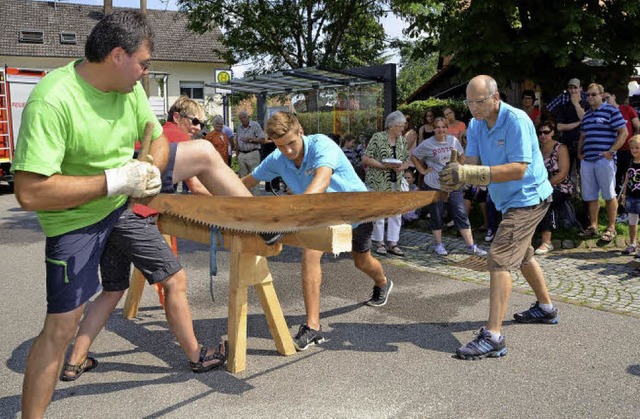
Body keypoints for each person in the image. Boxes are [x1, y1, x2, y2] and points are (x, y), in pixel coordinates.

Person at [11, 11, 230, 417]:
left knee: (201, 155)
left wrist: (149, 168)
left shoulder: (128, 90)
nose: (146, 73)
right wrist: (116, 181)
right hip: (75, 220)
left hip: (122, 207)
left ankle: (262, 222)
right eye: (143, 64)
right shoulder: (53, 98)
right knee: (59, 330)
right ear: (116, 55)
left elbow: (159, 138)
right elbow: (29, 192)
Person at [241, 111, 393, 351]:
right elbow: (245, 183)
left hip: (357, 212)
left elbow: (320, 184)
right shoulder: (277, 159)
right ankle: (313, 327)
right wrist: (216, 201)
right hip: (319, 216)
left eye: (291, 143)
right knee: (309, 256)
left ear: (301, 132)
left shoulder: (322, 144)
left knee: (362, 261)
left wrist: (288, 220)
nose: (288, 152)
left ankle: (382, 281)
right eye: (281, 147)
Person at [440, 75, 558, 360]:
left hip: (529, 197)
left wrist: (471, 174)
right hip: (507, 199)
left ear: (495, 98)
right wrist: (456, 173)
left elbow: (518, 169)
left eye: (479, 101)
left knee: (500, 255)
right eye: (469, 102)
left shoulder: (516, 120)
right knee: (524, 255)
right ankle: (546, 309)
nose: (473, 108)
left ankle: (493, 337)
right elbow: (474, 164)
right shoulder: (478, 125)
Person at [411, 117, 487, 257]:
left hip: (453, 184)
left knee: (461, 213)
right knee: (437, 214)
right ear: (433, 129)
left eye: (443, 127)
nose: (440, 130)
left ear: (447, 128)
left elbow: (461, 155)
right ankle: (439, 244)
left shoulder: (453, 141)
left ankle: (471, 246)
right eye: (437, 127)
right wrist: (423, 170)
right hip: (435, 185)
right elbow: (414, 156)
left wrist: (459, 168)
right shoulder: (427, 144)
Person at [577, 83, 628, 242]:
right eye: (588, 95)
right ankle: (593, 226)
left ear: (601, 95)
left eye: (593, 94)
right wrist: (579, 153)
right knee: (590, 195)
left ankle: (611, 228)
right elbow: (583, 136)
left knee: (608, 194)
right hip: (588, 160)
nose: (590, 97)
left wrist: (611, 151)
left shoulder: (611, 111)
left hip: (604, 160)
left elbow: (624, 132)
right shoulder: (587, 115)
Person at [362, 111, 411, 257]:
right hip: (378, 181)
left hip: (396, 182)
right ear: (391, 126)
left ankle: (393, 243)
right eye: (399, 126)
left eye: (403, 126)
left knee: (396, 213)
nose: (402, 129)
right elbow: (366, 158)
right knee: (379, 212)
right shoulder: (378, 138)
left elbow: (407, 160)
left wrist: (402, 167)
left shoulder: (402, 140)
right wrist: (383, 166)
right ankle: (379, 242)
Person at [534, 121, 574, 255]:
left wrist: (546, 185)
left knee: (544, 201)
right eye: (540, 133)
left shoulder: (560, 148)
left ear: (552, 133)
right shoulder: (537, 149)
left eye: (546, 132)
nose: (542, 136)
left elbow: (563, 173)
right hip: (539, 186)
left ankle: (547, 241)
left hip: (560, 186)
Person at [549, 78, 588, 180]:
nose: (573, 90)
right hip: (568, 144)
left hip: (584, 144)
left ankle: (584, 195)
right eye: (570, 88)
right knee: (566, 172)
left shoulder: (587, 104)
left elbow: (585, 119)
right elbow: (559, 127)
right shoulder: (564, 106)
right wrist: (578, 123)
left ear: (580, 89)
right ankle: (569, 194)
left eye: (575, 88)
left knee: (584, 173)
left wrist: (576, 104)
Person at [604, 90, 640, 197]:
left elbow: (637, 125)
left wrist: (635, 142)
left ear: (614, 96)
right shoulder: (605, 112)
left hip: (628, 150)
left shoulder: (627, 109)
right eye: (603, 99)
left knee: (629, 176)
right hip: (613, 151)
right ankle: (618, 204)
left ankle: (629, 201)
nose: (606, 101)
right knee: (615, 178)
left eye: (607, 98)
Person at [234, 110, 265, 193]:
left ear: (248, 117)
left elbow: (262, 139)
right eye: (241, 118)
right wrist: (237, 154)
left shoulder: (255, 125)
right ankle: (244, 196)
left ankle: (255, 197)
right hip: (242, 154)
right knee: (243, 177)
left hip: (253, 153)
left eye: (244, 117)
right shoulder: (239, 127)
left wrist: (251, 140)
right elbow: (237, 141)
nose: (243, 119)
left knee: (255, 176)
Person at [620, 135, 640, 255]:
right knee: (632, 221)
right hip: (632, 196)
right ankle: (633, 243)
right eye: (632, 148)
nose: (634, 150)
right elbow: (627, 179)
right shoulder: (630, 162)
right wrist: (624, 195)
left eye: (637, 148)